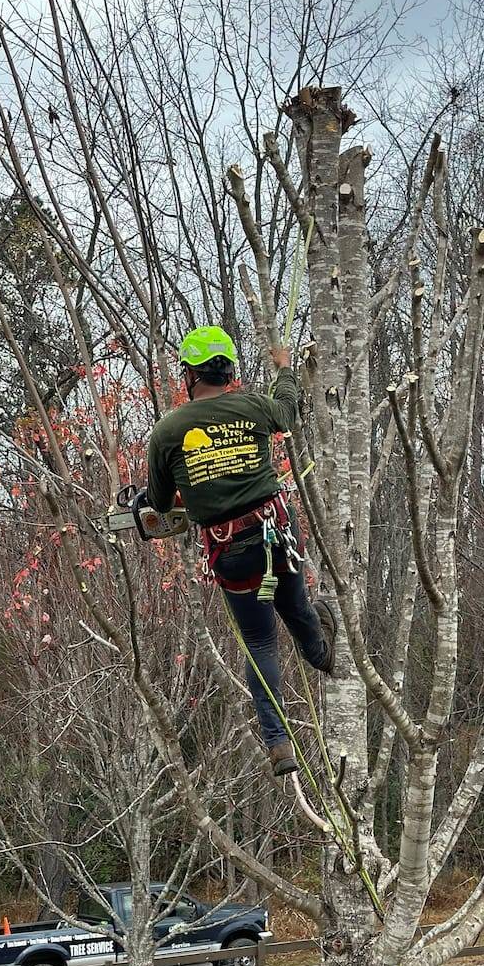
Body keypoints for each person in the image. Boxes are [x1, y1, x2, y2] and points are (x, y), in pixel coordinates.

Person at [141, 324, 335, 775]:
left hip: (231, 552)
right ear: (228, 369)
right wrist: (285, 369)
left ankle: (278, 740)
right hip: (277, 531)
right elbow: (287, 411)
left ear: (190, 376)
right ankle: (319, 651)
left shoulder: (169, 431)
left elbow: (161, 503)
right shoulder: (252, 407)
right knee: (297, 604)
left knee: (259, 640)